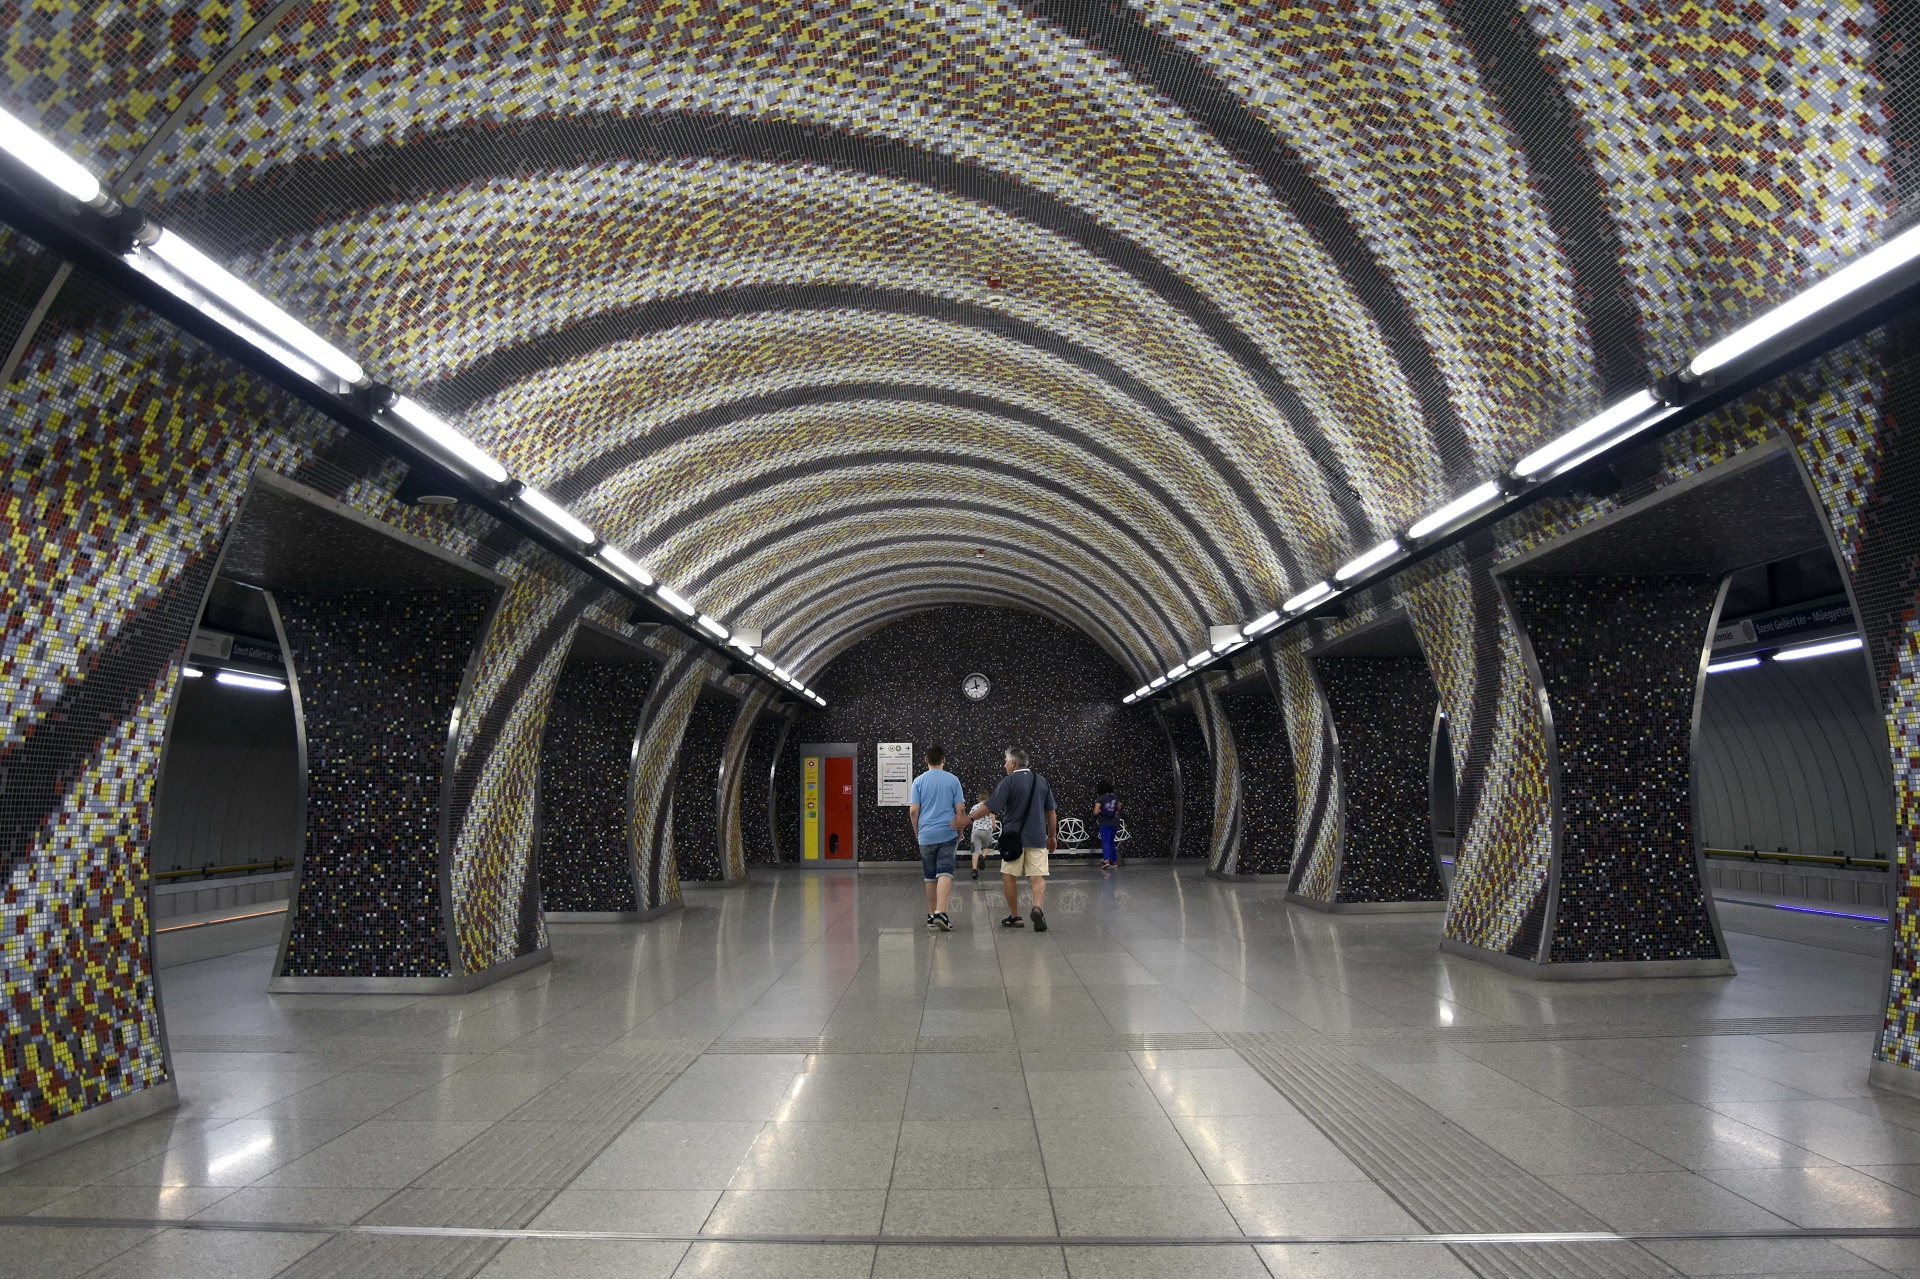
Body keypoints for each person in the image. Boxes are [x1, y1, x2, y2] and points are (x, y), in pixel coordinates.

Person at [959, 746, 1057, 932]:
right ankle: (1037, 908)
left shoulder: (1009, 781)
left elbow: (990, 806)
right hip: (1037, 838)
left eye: (1005, 761)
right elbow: (1051, 811)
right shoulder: (1041, 781)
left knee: (1010, 876)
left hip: (1013, 840)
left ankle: (1015, 917)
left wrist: (969, 818)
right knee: (1037, 877)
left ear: (1012, 763)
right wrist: (1052, 836)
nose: (1005, 765)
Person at [909, 743, 966, 931]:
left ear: (926, 760)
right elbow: (960, 810)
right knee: (945, 872)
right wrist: (960, 832)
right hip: (947, 833)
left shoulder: (918, 781)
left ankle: (932, 915)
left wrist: (917, 831)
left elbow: (913, 811)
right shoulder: (953, 780)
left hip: (926, 834)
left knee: (930, 876)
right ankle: (941, 912)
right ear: (944, 760)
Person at [1093, 780, 1122, 869]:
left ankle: (1106, 861)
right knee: (1111, 842)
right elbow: (1119, 807)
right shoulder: (1115, 797)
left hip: (1105, 822)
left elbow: (1096, 812)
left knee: (1105, 841)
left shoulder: (1100, 798)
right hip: (1115, 822)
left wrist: (1099, 811)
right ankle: (1114, 861)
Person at [967, 791, 996, 880]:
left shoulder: (974, 807)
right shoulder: (990, 806)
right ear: (988, 798)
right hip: (987, 831)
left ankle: (974, 870)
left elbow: (970, 818)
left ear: (979, 798)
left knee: (975, 851)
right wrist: (994, 826)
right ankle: (982, 856)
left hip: (976, 831)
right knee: (987, 847)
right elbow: (993, 819)